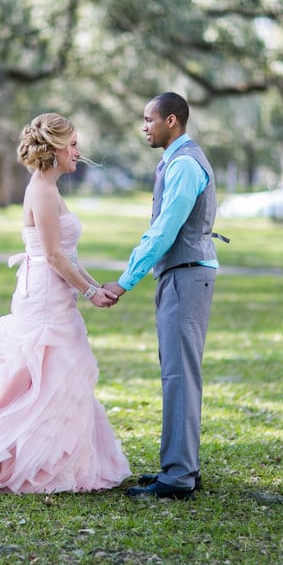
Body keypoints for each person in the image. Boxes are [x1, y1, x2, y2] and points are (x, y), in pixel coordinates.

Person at [0, 112, 130, 495]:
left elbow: (68, 254)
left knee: (58, 373)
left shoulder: (50, 188)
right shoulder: (41, 190)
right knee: (41, 373)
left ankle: (52, 456)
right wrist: (88, 293)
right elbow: (53, 256)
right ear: (53, 149)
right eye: (71, 145)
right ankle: (14, 459)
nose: (77, 151)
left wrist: (93, 287)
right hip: (44, 294)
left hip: (54, 290)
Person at [103, 92, 218, 500]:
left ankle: (179, 477)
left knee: (179, 375)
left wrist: (125, 280)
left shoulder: (185, 165)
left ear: (172, 120)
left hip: (187, 276)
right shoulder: (177, 161)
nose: (144, 127)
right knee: (176, 373)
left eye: (149, 119)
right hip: (180, 275)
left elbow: (165, 229)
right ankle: (181, 466)